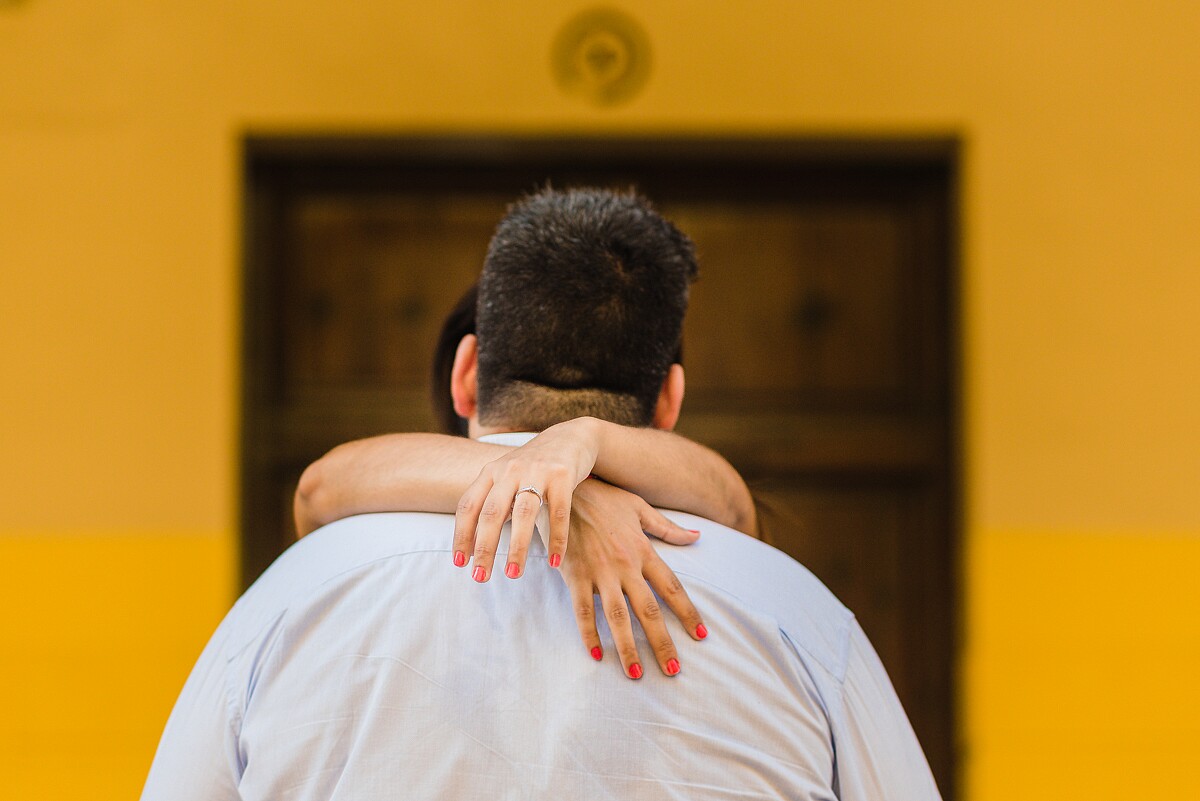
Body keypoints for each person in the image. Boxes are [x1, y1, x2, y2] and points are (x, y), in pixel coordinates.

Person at [142, 187, 941, 800]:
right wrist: (578, 481)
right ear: (669, 400)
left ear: (465, 375)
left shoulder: (293, 595)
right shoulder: (793, 614)